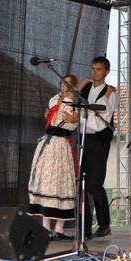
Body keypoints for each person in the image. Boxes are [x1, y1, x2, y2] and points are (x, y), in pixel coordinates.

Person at [28, 74, 80, 241]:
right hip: (56, 146)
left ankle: (53, 228)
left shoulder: (60, 103)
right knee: (55, 183)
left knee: (54, 184)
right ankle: (52, 228)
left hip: (53, 145)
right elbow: (67, 124)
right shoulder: (66, 105)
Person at [79, 56, 118, 239]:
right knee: (81, 185)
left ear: (107, 72)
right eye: (93, 68)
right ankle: (85, 228)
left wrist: (82, 117)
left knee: (94, 183)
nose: (94, 72)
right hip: (83, 138)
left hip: (99, 141)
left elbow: (101, 120)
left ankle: (104, 224)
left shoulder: (111, 93)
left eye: (99, 69)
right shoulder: (85, 89)